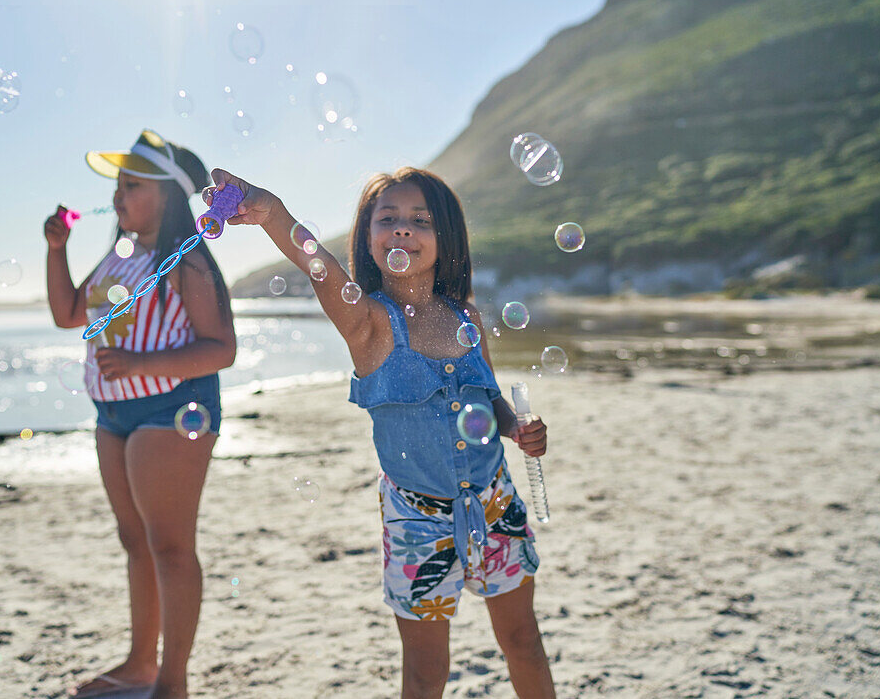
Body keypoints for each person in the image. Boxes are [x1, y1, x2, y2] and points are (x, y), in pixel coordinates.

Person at [206, 166, 555, 698]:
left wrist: (517, 428)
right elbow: (312, 263)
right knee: (424, 671)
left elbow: (490, 398)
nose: (402, 229)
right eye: (386, 218)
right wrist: (272, 212)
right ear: (366, 238)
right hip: (417, 521)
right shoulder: (366, 322)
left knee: (523, 641)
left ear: (447, 235)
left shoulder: (465, 315)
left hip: (495, 504)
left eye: (420, 219)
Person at [44, 129, 236, 699]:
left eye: (132, 185)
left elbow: (221, 348)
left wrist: (140, 360)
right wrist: (57, 250)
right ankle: (139, 664)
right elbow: (67, 314)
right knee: (134, 540)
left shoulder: (187, 261)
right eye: (118, 186)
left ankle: (172, 681)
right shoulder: (116, 256)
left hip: (173, 410)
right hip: (112, 414)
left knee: (170, 544)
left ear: (169, 196)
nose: (117, 197)